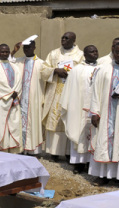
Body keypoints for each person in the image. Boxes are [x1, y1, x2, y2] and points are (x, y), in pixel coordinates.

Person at [88, 42, 119, 188]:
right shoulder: (104, 69)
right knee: (104, 143)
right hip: (105, 115)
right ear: (113, 52)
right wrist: (94, 112)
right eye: (117, 52)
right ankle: (103, 176)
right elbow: (95, 92)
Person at [41, 32, 84, 161]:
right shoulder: (54, 53)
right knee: (54, 119)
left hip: (71, 92)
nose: (63, 40)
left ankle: (68, 152)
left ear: (74, 40)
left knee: (69, 119)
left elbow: (83, 72)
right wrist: (55, 70)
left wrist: (72, 74)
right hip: (55, 91)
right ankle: (53, 152)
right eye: (62, 38)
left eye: (67, 38)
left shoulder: (80, 55)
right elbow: (43, 69)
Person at [61, 45, 98, 174]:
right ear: (85, 54)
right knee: (78, 132)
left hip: (94, 110)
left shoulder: (101, 68)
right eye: (91, 52)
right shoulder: (76, 70)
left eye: (96, 51)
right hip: (79, 109)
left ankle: (91, 163)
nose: (95, 53)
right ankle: (78, 164)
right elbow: (69, 91)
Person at [12, 38, 45, 154]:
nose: (27, 50)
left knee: (33, 123)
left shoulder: (41, 63)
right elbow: (6, 63)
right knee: (20, 123)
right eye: (25, 47)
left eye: (29, 47)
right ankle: (20, 147)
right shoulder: (19, 61)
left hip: (34, 100)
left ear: (34, 48)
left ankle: (33, 150)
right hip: (21, 99)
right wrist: (14, 51)